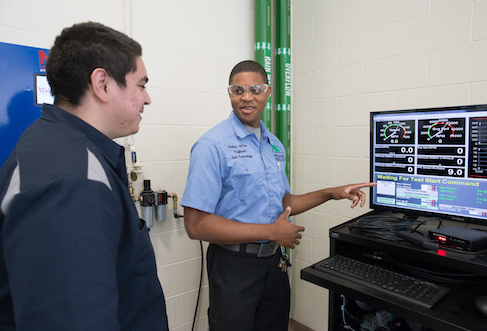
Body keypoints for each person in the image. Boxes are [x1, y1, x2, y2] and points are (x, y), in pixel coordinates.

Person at [180, 60, 376, 331]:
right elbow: (195, 225)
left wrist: (332, 193)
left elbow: (284, 204)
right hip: (234, 265)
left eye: (255, 89)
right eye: (238, 90)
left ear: (268, 92)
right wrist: (272, 232)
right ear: (230, 93)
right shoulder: (212, 146)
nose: (247, 97)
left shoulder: (273, 145)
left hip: (274, 264)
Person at [0, 22, 168, 330]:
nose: (147, 99)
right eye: (141, 85)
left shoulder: (67, 149)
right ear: (102, 84)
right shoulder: (69, 178)